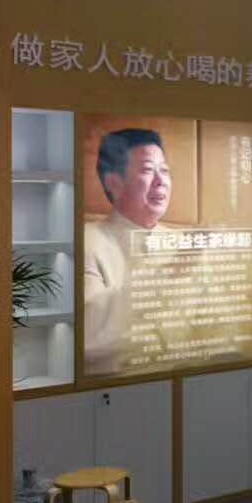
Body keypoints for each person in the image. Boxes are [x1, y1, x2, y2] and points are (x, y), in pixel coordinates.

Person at [84, 128, 174, 376]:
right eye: (147, 170)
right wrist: (171, 273)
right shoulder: (87, 242)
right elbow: (88, 333)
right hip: (114, 384)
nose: (161, 181)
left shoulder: (183, 243)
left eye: (165, 171)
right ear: (114, 182)